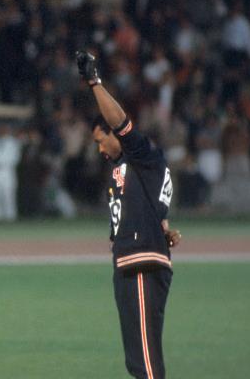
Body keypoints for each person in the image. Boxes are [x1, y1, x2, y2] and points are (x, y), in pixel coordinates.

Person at [76, 51, 181, 379]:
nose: (99, 148)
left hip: (141, 262)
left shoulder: (142, 155)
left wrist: (94, 82)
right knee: (139, 359)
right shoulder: (130, 168)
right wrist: (163, 226)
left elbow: (120, 122)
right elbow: (153, 207)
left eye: (100, 140)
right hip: (134, 260)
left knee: (145, 362)